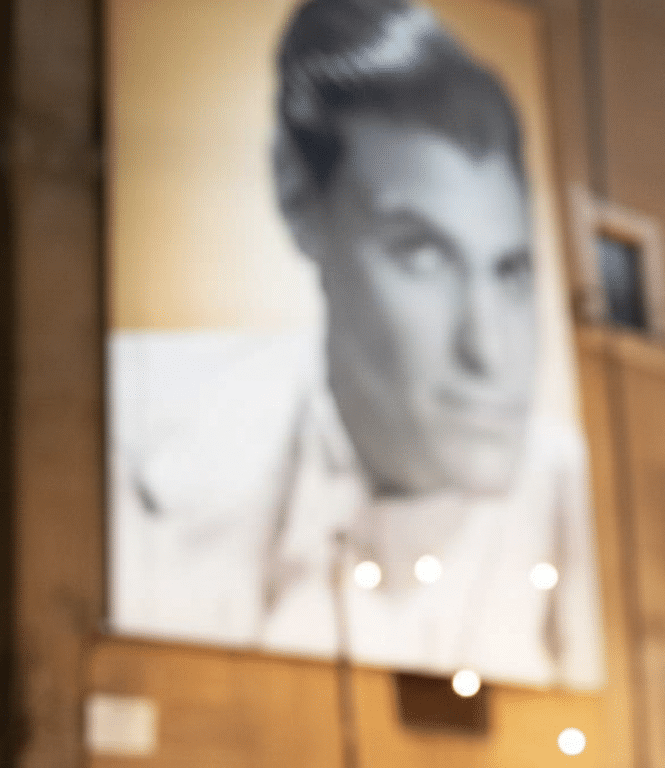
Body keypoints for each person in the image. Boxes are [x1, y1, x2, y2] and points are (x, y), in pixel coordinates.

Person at [109, 0, 603, 690]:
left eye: (510, 270)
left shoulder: (559, 483)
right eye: (423, 255)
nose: (489, 351)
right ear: (299, 199)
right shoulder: (136, 423)